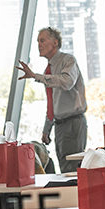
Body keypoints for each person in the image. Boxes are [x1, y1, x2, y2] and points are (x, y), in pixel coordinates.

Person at [17, 26, 88, 172]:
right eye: (37, 41)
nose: (39, 44)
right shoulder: (48, 70)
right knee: (64, 169)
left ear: (55, 43)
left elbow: (67, 82)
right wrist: (46, 129)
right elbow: (52, 103)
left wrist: (36, 76)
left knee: (72, 170)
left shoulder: (68, 60)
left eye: (42, 40)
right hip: (60, 126)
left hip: (73, 123)